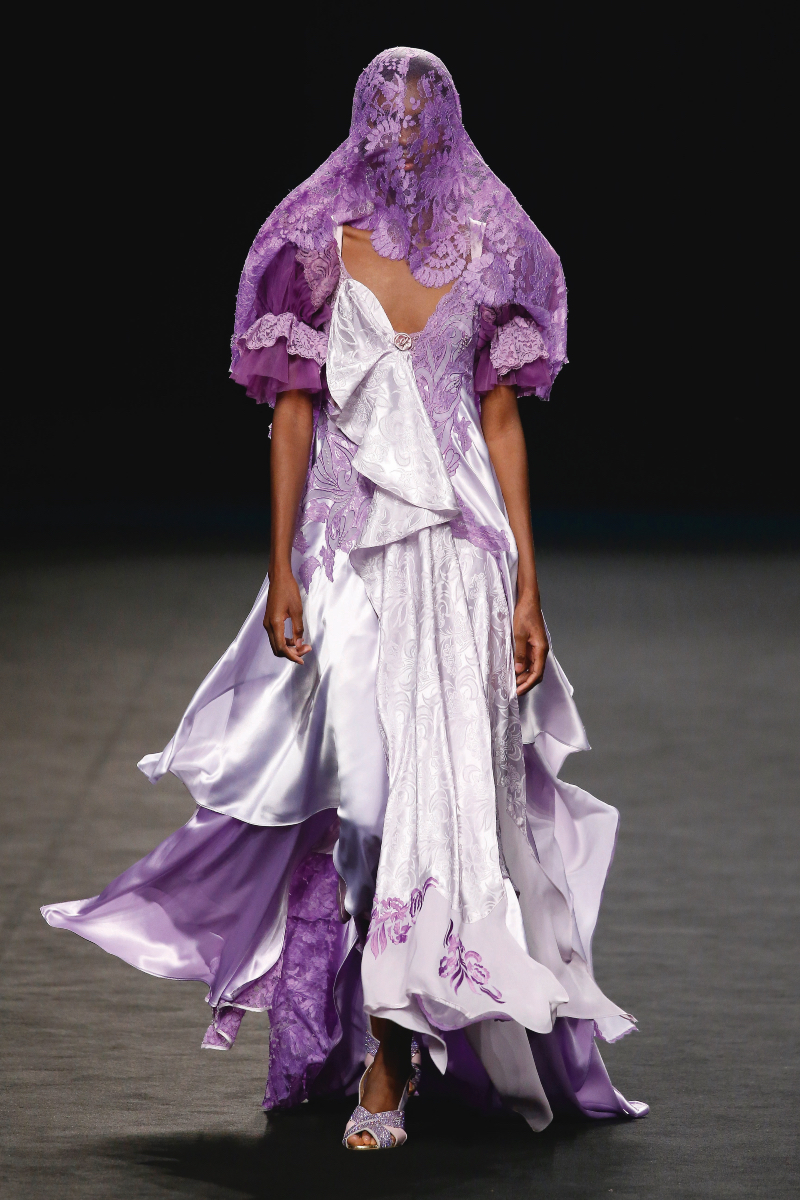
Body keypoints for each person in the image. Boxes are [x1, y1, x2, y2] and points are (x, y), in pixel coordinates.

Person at [43, 47, 648, 1149]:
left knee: (454, 803)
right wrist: (280, 565)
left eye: (421, 114)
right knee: (363, 805)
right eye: (385, 113)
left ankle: (393, 1056)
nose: (401, 133)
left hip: (460, 559)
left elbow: (501, 422)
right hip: (347, 549)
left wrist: (527, 586)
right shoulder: (314, 250)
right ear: (362, 122)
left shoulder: (490, 251)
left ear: (448, 124)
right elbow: (290, 418)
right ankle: (385, 1027)